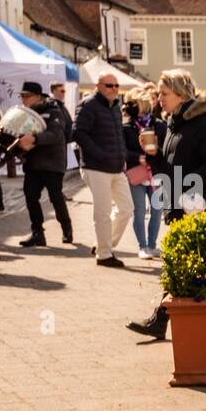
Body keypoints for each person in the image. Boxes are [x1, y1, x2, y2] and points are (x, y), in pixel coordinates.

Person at [127, 71, 206, 338]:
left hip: (199, 206)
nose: (158, 98)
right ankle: (163, 321)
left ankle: (168, 321)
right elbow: (169, 169)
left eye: (164, 94)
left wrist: (192, 192)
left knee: (191, 264)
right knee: (184, 264)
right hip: (178, 203)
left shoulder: (200, 125)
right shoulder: (175, 124)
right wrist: (154, 155)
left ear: (181, 95)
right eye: (159, 93)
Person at [72, 74, 133, 267]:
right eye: (109, 85)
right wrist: (99, 154)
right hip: (95, 167)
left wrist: (122, 156)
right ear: (98, 86)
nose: (114, 88)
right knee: (103, 212)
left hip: (116, 167)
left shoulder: (115, 106)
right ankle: (104, 254)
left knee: (126, 208)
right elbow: (78, 133)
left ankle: (102, 244)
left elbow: (118, 136)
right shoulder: (88, 105)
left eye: (116, 85)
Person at [15, 81, 73, 248]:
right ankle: (37, 233)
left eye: (27, 96)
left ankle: (66, 228)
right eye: (22, 96)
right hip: (33, 163)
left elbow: (55, 135)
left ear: (38, 96)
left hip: (52, 163)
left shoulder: (54, 111)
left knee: (56, 198)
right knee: (30, 197)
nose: (24, 99)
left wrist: (34, 138)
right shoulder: (25, 114)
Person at [121, 91, 164, 257]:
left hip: (156, 174)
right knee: (139, 211)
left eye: (135, 104)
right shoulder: (126, 127)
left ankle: (152, 245)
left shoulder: (160, 125)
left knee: (157, 210)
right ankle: (143, 247)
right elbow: (122, 150)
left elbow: (165, 149)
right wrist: (137, 157)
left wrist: (154, 157)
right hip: (136, 174)